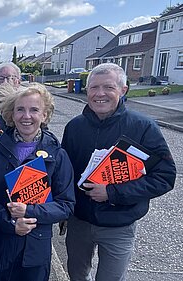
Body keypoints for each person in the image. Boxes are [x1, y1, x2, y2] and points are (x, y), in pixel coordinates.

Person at [62, 63, 176, 281]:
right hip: (79, 221)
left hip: (119, 224)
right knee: (76, 274)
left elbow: (165, 177)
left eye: (108, 87)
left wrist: (113, 192)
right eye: (94, 87)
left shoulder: (144, 127)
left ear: (123, 90)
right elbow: (65, 174)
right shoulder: (74, 127)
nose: (100, 94)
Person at [0, 83, 75, 280]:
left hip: (34, 250)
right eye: (20, 109)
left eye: (34, 110)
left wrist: (29, 211)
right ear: (12, 114)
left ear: (44, 115)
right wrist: (9, 222)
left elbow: (66, 205)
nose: (26, 116)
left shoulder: (57, 155)